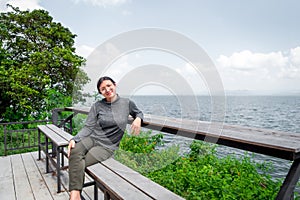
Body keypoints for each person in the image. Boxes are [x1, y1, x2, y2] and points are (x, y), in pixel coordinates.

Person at [67, 76, 143, 200]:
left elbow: (138, 112)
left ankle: (74, 195)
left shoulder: (126, 103)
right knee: (75, 151)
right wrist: (74, 139)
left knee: (80, 162)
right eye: (103, 89)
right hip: (92, 138)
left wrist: (138, 119)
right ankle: (75, 196)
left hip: (107, 146)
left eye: (109, 86)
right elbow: (88, 127)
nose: (107, 90)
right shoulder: (98, 105)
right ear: (100, 92)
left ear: (114, 85)